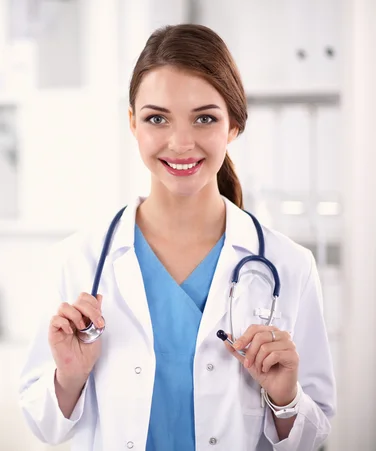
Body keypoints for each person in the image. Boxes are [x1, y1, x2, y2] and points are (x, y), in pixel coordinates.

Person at [17, 23, 336, 450]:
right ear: (133, 123)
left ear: (234, 125)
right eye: (157, 118)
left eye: (205, 118)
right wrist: (69, 377)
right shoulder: (78, 260)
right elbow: (44, 426)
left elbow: (314, 436)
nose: (181, 143)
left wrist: (284, 400)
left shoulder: (290, 266)